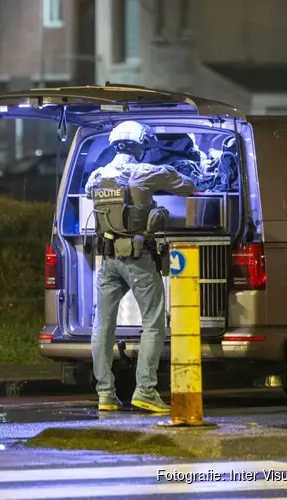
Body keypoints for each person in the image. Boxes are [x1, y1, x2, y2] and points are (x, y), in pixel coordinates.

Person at [85, 120, 196, 414]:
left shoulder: (97, 175)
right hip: (137, 259)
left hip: (107, 259)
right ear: (140, 146)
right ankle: (145, 391)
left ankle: (105, 395)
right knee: (153, 322)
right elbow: (188, 186)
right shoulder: (143, 171)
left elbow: (88, 195)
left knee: (103, 326)